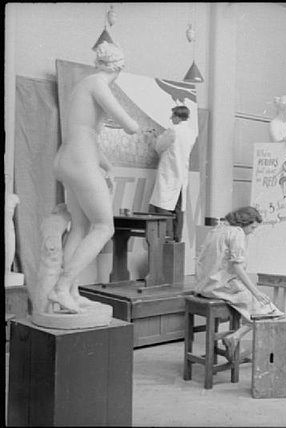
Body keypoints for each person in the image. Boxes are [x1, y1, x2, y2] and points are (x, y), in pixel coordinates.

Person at [48, 41, 143, 313]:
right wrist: (133, 123)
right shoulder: (99, 84)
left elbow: (84, 133)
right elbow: (130, 126)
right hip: (80, 160)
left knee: (79, 227)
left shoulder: (82, 86)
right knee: (104, 227)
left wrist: (108, 168)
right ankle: (60, 287)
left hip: (69, 157)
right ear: (120, 67)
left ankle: (71, 292)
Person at [194, 206, 284, 359]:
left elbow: (202, 260)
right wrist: (256, 292)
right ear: (244, 223)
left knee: (256, 308)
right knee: (271, 312)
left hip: (205, 286)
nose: (252, 231)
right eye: (252, 227)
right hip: (220, 287)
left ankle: (235, 337)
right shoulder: (237, 233)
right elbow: (237, 267)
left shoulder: (217, 229)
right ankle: (234, 337)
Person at [148, 105, 197, 242]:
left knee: (163, 207)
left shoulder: (173, 130)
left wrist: (154, 137)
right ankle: (176, 240)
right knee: (178, 209)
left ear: (177, 116)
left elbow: (159, 147)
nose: (171, 118)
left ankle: (166, 239)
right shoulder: (191, 132)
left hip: (169, 174)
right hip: (181, 176)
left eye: (172, 116)